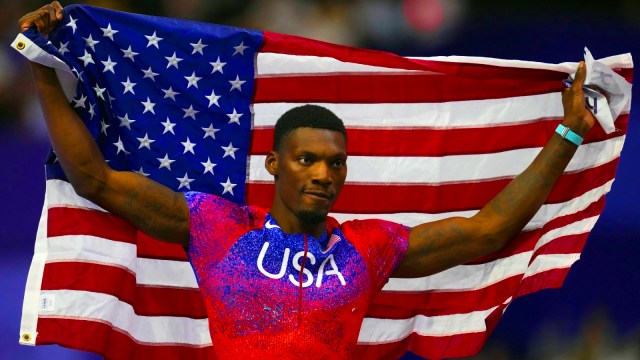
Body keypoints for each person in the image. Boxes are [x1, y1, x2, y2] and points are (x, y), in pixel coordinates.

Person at [19, 2, 597, 359]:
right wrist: (46, 72)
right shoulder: (217, 227)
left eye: (335, 163)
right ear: (273, 164)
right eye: (307, 160)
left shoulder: (367, 249)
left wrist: (567, 135)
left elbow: (484, 232)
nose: (324, 173)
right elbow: (94, 179)